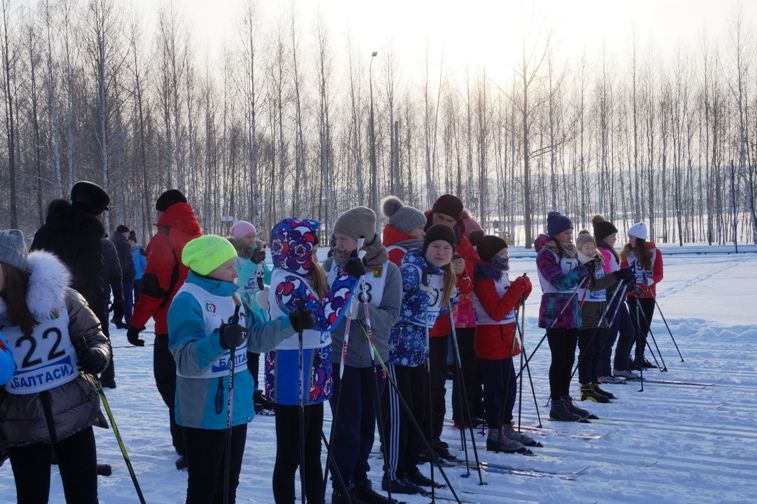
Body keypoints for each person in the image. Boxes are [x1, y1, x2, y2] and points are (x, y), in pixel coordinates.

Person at [168, 235, 312, 504]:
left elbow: (255, 339)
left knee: (228, 485)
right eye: (229, 266)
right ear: (208, 267)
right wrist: (219, 341)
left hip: (236, 406)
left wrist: (291, 324)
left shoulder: (233, 296)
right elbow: (185, 359)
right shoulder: (188, 300)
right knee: (204, 488)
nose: (236, 272)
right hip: (204, 410)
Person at [0, 229, 110, 503]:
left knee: (84, 495)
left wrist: (97, 355)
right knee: (32, 497)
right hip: (22, 422)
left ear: (9, 267)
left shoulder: (62, 298)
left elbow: (96, 337)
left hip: (73, 414)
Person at [266, 218, 364, 504]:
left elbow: (329, 301)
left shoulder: (307, 275)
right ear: (292, 248)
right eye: (310, 247)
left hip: (314, 371)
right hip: (291, 371)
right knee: (290, 455)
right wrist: (349, 278)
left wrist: (346, 269)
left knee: (310, 452)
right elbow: (324, 319)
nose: (315, 252)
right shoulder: (285, 280)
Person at [324, 207, 401, 504]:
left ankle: (360, 480)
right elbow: (323, 308)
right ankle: (341, 486)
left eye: (343, 239)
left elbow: (393, 315)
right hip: (338, 356)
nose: (338, 245)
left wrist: (362, 313)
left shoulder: (388, 270)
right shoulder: (331, 265)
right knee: (347, 424)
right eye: (336, 238)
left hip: (373, 356)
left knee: (367, 422)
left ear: (362, 240)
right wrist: (342, 312)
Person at [127, 189, 202, 470]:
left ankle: (186, 443)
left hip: (169, 327)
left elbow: (153, 288)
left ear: (163, 212)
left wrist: (136, 325)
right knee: (192, 383)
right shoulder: (200, 238)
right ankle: (195, 438)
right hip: (198, 323)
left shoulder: (164, 239)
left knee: (170, 385)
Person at [384, 224, 458, 495]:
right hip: (396, 352)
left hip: (418, 354)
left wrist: (451, 302)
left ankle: (409, 467)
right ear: (426, 247)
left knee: (420, 412)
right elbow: (393, 305)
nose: (440, 252)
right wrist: (414, 302)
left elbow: (429, 315)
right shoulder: (411, 268)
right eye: (435, 246)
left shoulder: (441, 274)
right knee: (399, 416)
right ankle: (392, 472)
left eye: (446, 248)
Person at [470, 234, 537, 453]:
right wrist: (517, 289)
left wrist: (523, 290)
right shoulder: (484, 279)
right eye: (502, 254)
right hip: (491, 338)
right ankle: (495, 432)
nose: (506, 257)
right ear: (491, 256)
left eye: (506, 253)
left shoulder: (499, 275)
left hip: (505, 338)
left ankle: (505, 427)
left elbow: (509, 306)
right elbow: (496, 312)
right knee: (496, 389)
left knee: (509, 387)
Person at [422, 195, 476, 461]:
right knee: (419, 387)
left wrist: (461, 272)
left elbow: (467, 286)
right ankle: (417, 439)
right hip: (418, 329)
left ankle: (433, 437)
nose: (441, 222)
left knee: (437, 385)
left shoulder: (459, 244)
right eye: (439, 217)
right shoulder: (419, 233)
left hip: (443, 325)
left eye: (448, 220)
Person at [534, 212, 595, 422]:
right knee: (559, 358)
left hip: (571, 308)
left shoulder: (570, 252)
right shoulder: (546, 254)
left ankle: (565, 399)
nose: (570, 236)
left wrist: (589, 271)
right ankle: (556, 403)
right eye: (566, 232)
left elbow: (578, 281)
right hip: (555, 308)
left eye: (570, 232)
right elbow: (559, 282)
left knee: (569, 357)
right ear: (556, 234)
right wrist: (581, 271)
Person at [574, 231, 631, 403]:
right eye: (586, 248)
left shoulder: (598, 262)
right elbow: (595, 285)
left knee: (598, 349)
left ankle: (594, 383)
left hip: (599, 311)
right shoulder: (580, 264)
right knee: (587, 351)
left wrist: (622, 279)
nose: (590, 250)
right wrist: (616, 276)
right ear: (580, 249)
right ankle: (585, 387)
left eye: (592, 247)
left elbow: (603, 283)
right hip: (586, 314)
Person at [228, 220, 273, 414]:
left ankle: (253, 391)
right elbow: (236, 284)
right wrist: (252, 264)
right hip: (242, 312)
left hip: (257, 312)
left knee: (254, 355)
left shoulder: (257, 256)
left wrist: (266, 265)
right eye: (248, 236)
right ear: (237, 238)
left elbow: (269, 279)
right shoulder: (232, 257)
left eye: (254, 236)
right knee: (244, 357)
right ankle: (245, 393)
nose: (252, 240)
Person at [592, 216, 638, 381]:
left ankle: (620, 366)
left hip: (619, 298)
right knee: (609, 336)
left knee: (629, 332)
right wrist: (620, 277)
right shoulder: (601, 252)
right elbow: (605, 277)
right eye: (612, 236)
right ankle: (603, 372)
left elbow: (616, 273)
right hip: (610, 299)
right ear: (604, 236)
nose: (615, 238)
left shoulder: (609, 251)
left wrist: (627, 280)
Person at [621, 222, 664, 370]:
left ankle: (640, 356)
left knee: (644, 328)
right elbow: (623, 271)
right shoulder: (628, 253)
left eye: (632, 237)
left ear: (639, 238)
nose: (629, 240)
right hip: (633, 294)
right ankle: (626, 357)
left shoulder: (654, 253)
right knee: (634, 328)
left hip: (648, 295)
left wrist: (647, 283)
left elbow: (659, 274)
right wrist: (630, 283)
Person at [100, 236, 123, 388]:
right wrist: (119, 299)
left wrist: (118, 299)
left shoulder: (67, 239)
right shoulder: (106, 244)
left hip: (79, 299)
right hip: (100, 297)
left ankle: (107, 376)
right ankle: (108, 376)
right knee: (103, 337)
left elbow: (116, 274)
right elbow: (116, 275)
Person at [381, 196, 426, 266]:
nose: (424, 233)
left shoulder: (412, 246)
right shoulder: (395, 252)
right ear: (406, 228)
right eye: (420, 228)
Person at [111, 225, 135, 328]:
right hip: (125, 275)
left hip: (114, 274)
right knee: (128, 298)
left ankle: (117, 319)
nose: (128, 235)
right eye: (128, 233)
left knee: (119, 298)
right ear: (124, 232)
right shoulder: (124, 244)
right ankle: (130, 321)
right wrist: (131, 272)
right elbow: (127, 260)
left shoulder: (112, 241)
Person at [130, 236, 147, 302]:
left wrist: (143, 272)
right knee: (132, 296)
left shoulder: (140, 251)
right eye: (129, 241)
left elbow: (145, 263)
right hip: (131, 278)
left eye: (131, 241)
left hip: (139, 277)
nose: (130, 243)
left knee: (138, 296)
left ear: (135, 242)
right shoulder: (128, 251)